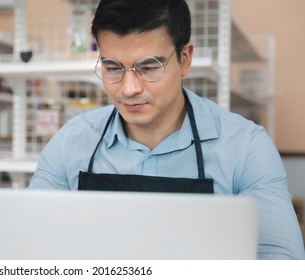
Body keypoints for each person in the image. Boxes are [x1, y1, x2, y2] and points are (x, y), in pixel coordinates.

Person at [27, 0, 304, 259]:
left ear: (185, 59)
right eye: (113, 68)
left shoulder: (245, 148)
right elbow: (27, 245)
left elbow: (280, 262)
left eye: (149, 67)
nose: (129, 89)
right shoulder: (71, 142)